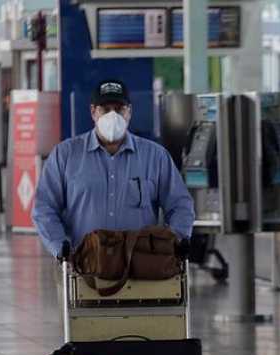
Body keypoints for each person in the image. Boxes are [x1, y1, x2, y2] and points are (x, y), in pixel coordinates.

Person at [31, 79, 195, 258]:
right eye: (105, 109)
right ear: (93, 112)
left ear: (129, 112)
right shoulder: (65, 155)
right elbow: (44, 208)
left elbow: (180, 204)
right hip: (83, 266)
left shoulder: (155, 157)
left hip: (140, 266)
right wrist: (60, 246)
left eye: (119, 109)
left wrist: (177, 239)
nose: (113, 115)